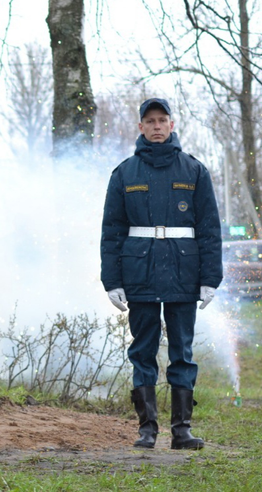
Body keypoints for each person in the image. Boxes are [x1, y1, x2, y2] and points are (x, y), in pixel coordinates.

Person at [100, 98, 223, 450]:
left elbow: (210, 229)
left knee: (182, 352)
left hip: (184, 273)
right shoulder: (124, 173)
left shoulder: (194, 171)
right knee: (143, 351)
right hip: (139, 274)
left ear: (172, 125)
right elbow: (112, 232)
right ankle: (147, 429)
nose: (156, 126)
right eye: (149, 121)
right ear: (140, 127)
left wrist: (210, 278)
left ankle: (181, 431)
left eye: (162, 120)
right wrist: (113, 281)